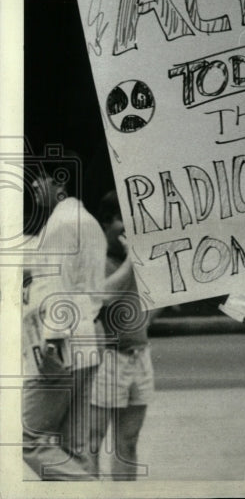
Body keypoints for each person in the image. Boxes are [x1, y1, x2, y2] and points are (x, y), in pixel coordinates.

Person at [21, 166, 105, 479]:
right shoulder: (85, 221)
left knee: (26, 439)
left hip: (61, 345)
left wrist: (52, 341)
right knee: (73, 447)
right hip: (85, 341)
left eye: (39, 178)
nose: (33, 184)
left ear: (60, 181)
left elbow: (57, 285)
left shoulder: (62, 224)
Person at [88, 190, 155, 480]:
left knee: (128, 441)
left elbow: (155, 302)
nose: (129, 232)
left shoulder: (137, 261)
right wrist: (131, 260)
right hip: (108, 360)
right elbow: (102, 297)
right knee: (93, 441)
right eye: (122, 224)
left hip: (139, 355)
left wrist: (141, 324)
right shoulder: (97, 258)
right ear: (107, 223)